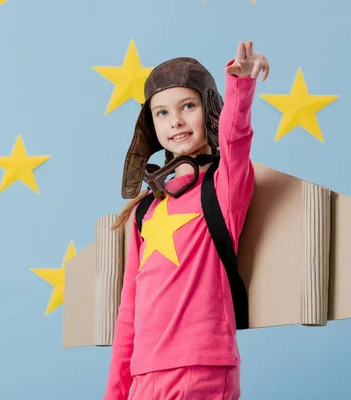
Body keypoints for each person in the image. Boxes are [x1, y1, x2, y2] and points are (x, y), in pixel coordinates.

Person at [104, 40, 269, 400]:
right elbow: (128, 311)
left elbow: (236, 140)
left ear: (208, 110)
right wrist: (115, 393)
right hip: (144, 373)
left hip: (202, 367)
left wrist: (239, 88)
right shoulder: (145, 211)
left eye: (188, 106)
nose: (175, 120)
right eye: (161, 113)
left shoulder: (224, 187)